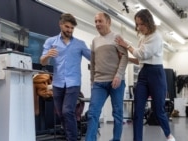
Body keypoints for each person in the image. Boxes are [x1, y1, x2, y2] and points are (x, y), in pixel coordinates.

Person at [115, 9, 175, 141]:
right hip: (143, 74)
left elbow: (141, 54)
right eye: (137, 24)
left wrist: (126, 45)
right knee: (138, 111)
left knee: (158, 110)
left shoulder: (156, 37)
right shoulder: (142, 38)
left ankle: (169, 135)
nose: (139, 27)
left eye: (141, 24)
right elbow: (139, 60)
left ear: (148, 22)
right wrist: (125, 58)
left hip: (156, 73)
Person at [40, 13, 91, 141]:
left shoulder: (80, 44)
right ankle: (71, 134)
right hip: (58, 83)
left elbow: (93, 58)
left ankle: (72, 138)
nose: (69, 30)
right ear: (60, 25)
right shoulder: (51, 42)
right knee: (61, 114)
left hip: (73, 83)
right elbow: (42, 62)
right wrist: (47, 56)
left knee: (67, 111)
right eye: (67, 27)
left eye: (72, 28)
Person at [85, 12, 128, 141]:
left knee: (117, 114)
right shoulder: (94, 40)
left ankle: (116, 139)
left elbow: (124, 57)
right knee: (93, 113)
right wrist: (92, 80)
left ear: (108, 22)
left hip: (116, 82)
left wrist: (119, 75)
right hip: (99, 83)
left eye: (100, 21)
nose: (97, 24)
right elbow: (92, 62)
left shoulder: (117, 37)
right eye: (96, 21)